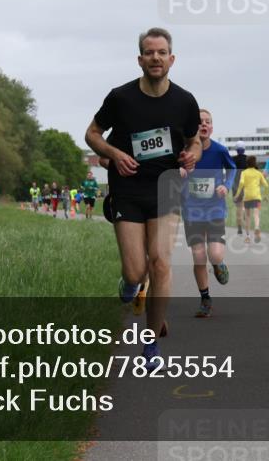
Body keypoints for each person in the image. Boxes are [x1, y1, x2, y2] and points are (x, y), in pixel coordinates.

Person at [85, 27, 201, 371]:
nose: (156, 58)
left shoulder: (184, 101)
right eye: (149, 53)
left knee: (161, 262)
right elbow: (91, 134)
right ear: (140, 59)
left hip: (166, 188)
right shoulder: (120, 98)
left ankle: (149, 343)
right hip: (129, 189)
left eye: (162, 52)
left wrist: (192, 154)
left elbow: (194, 140)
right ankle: (131, 284)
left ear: (172, 59)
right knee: (136, 270)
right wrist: (114, 153)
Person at [180, 109, 236, 318]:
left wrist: (226, 187)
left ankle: (219, 264)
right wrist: (180, 172)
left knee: (215, 254)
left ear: (212, 127)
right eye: (200, 122)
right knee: (198, 256)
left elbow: (231, 170)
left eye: (208, 122)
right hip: (192, 211)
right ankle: (205, 298)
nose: (204, 125)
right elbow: (172, 172)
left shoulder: (220, 150)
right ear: (193, 127)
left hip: (214, 209)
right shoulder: (185, 152)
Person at [234, 154, 269, 243]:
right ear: (255, 163)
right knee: (256, 215)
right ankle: (257, 227)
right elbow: (266, 185)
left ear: (247, 163)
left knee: (247, 217)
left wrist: (237, 195)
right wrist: (265, 195)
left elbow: (241, 183)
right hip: (257, 197)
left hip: (247, 198)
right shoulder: (258, 173)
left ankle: (248, 237)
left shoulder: (244, 173)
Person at [231, 141, 247, 236]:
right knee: (244, 206)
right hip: (246, 185)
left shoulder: (232, 160)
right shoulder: (248, 159)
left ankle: (239, 228)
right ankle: (245, 211)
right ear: (244, 149)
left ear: (236, 150)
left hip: (236, 186)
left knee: (238, 207)